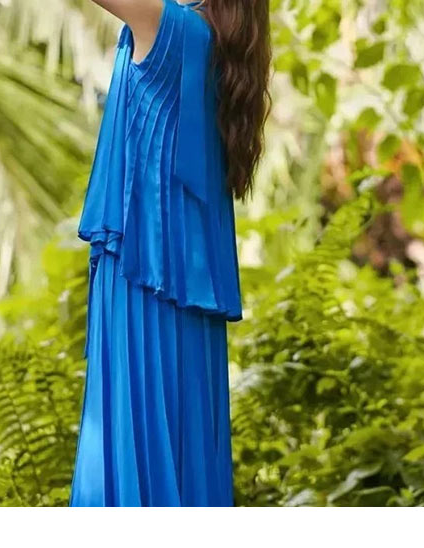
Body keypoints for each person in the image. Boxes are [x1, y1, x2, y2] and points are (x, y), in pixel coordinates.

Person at [69, 0, 271, 506]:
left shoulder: (171, 28)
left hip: (143, 283)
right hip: (181, 297)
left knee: (135, 438)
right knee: (183, 450)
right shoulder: (215, 50)